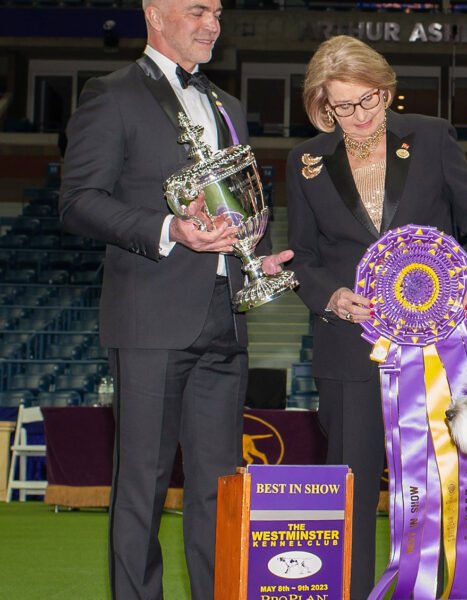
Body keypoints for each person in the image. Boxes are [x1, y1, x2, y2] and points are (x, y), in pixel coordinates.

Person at [59, 0, 292, 598]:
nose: (213, 23)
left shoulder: (227, 104)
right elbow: (80, 201)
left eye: (216, 11)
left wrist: (245, 248)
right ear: (154, 13)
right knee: (142, 484)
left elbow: (231, 203)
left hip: (226, 317)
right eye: (197, 10)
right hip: (150, 320)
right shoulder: (110, 95)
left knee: (219, 488)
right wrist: (170, 230)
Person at [286, 35, 467, 598]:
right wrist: (331, 295)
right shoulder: (304, 161)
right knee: (350, 497)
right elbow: (301, 256)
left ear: (385, 91)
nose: (355, 117)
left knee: (445, 492)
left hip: (436, 352)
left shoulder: (430, 137)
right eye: (340, 106)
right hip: (347, 352)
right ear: (322, 103)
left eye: (366, 102)